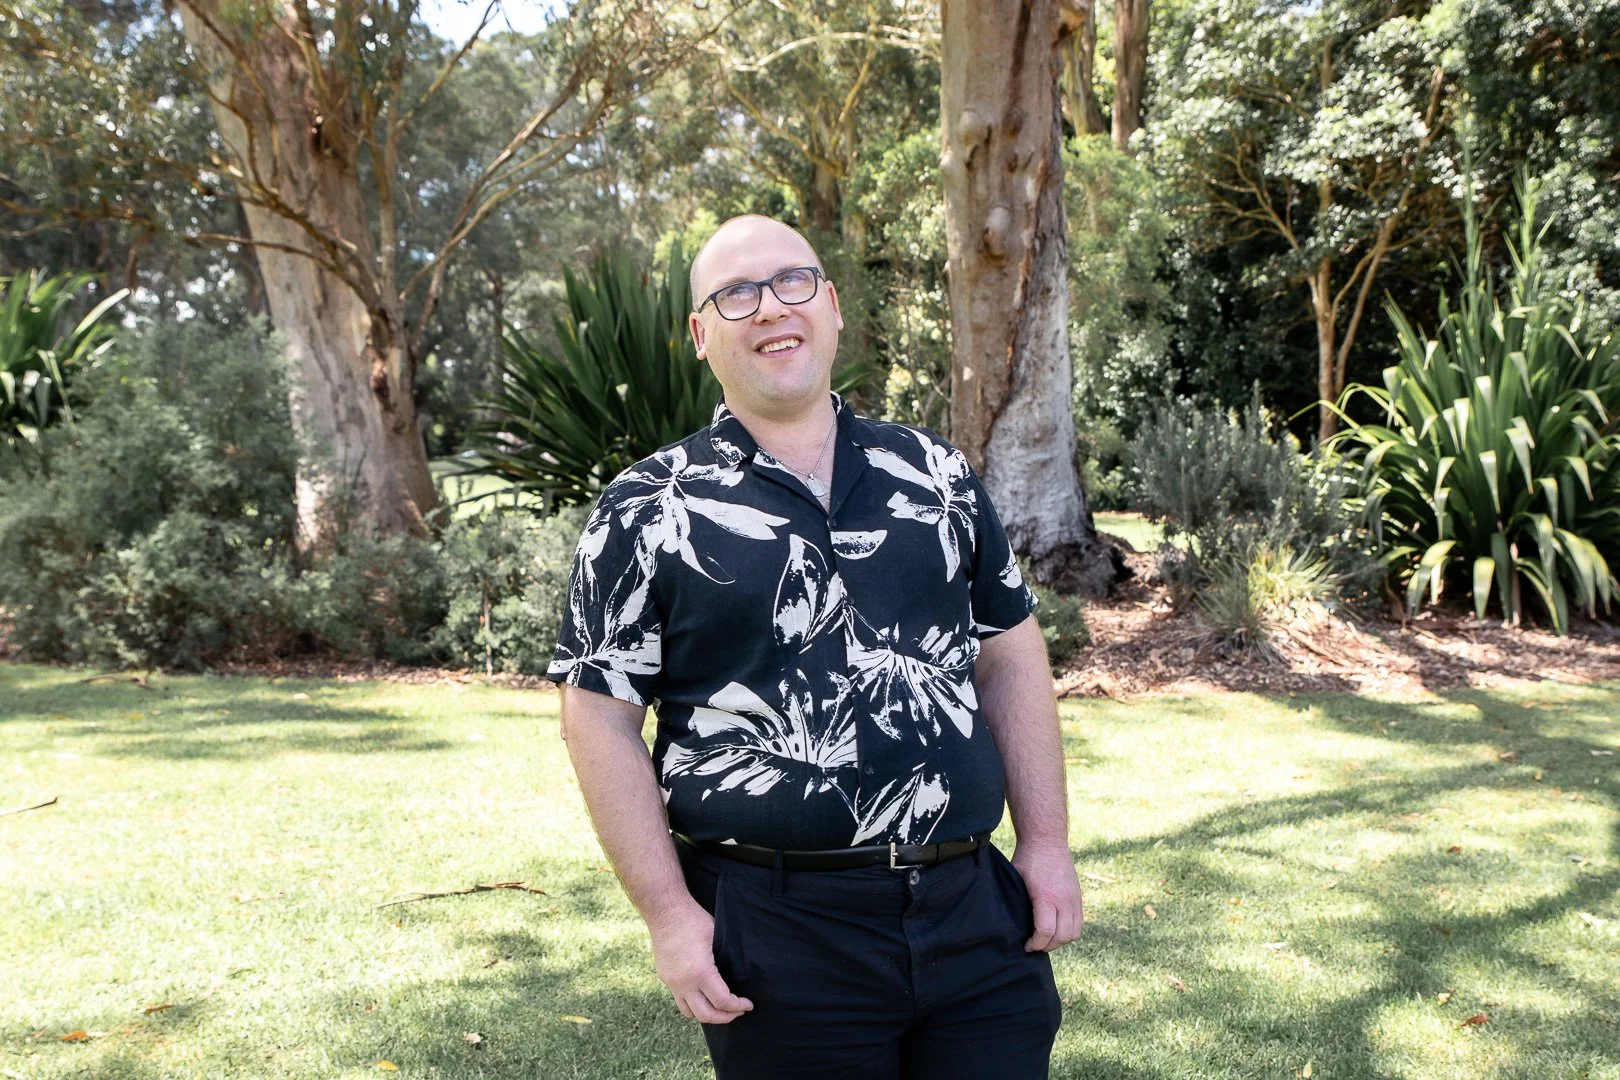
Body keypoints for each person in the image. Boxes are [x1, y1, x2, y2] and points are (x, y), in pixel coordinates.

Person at [546, 214, 1083, 1079]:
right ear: (699, 334)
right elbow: (597, 720)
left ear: (830, 306)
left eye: (792, 283)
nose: (769, 310)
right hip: (778, 934)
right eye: (736, 295)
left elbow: (1010, 656)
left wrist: (1046, 845)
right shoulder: (646, 508)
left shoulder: (936, 473)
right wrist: (670, 917)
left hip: (975, 915)